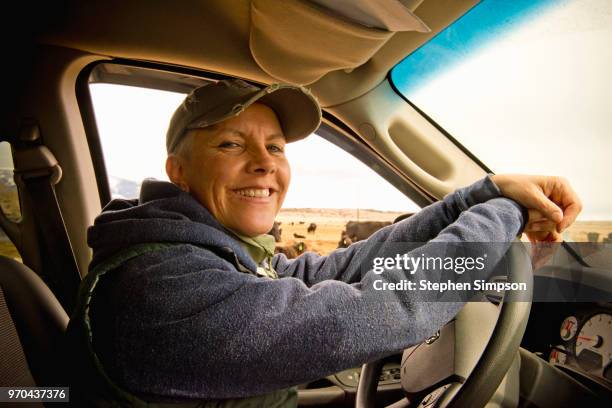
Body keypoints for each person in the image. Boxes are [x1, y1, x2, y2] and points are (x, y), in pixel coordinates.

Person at [66, 79, 581, 407]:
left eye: (275, 147)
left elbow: (342, 268)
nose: (265, 162)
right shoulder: (162, 288)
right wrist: (507, 211)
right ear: (177, 171)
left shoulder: (209, 254)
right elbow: (392, 307)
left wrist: (480, 195)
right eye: (230, 143)